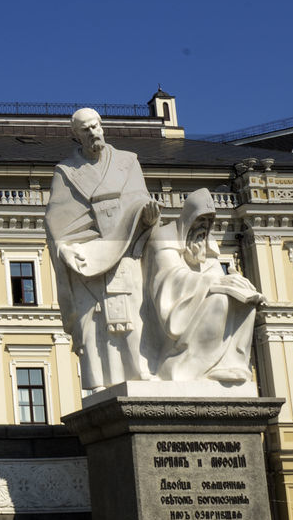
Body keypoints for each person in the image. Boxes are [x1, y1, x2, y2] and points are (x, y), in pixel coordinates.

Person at [46, 108, 160, 391]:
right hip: (87, 258)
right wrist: (64, 248)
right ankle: (98, 382)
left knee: (132, 314)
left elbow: (140, 199)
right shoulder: (66, 172)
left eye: (96, 126)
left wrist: (148, 215)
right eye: (85, 129)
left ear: (103, 126)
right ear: (76, 135)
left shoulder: (127, 161)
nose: (93, 132)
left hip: (126, 250)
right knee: (92, 322)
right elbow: (58, 219)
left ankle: (139, 369)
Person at [143, 188, 262, 384]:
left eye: (208, 223)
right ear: (188, 219)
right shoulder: (164, 237)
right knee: (219, 301)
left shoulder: (205, 243)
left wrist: (236, 283)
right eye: (199, 221)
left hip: (198, 297)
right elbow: (169, 278)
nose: (203, 228)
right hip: (171, 309)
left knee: (244, 300)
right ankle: (184, 367)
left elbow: (215, 273)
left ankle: (231, 364)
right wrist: (214, 283)